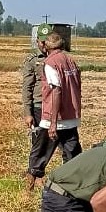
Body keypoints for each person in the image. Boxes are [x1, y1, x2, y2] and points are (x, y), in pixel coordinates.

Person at [26, 31, 83, 190]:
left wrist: (53, 123)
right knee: (72, 154)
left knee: (40, 153)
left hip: (54, 116)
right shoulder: (70, 60)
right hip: (71, 116)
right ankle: (73, 186)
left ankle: (29, 184)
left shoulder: (51, 63)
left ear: (45, 46)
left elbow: (56, 91)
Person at [21, 25, 50, 190]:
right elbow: (27, 87)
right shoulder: (32, 60)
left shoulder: (58, 58)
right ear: (37, 41)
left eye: (47, 41)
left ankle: (39, 173)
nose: (44, 45)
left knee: (50, 142)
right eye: (41, 41)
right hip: (38, 105)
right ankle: (33, 174)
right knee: (38, 141)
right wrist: (28, 112)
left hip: (53, 106)